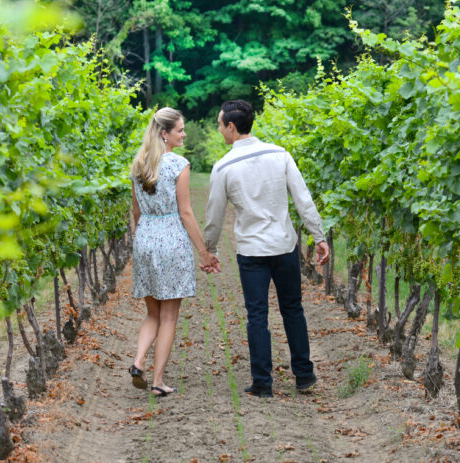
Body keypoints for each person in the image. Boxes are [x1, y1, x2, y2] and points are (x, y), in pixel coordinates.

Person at [203, 99, 329, 398]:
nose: (219, 130)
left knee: (257, 315)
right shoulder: (280, 154)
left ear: (231, 127)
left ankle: (262, 382)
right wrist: (319, 236)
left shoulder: (224, 167)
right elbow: (303, 199)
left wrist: (210, 249)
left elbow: (214, 216)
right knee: (293, 309)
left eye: (220, 125)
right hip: (284, 245)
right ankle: (304, 375)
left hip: (252, 251)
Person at [128, 107, 218, 397]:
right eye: (180, 130)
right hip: (171, 241)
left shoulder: (139, 164)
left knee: (152, 314)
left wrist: (143, 241)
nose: (184, 134)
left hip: (145, 239)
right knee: (169, 317)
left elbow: (137, 211)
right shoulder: (179, 164)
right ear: (165, 134)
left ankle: (138, 361)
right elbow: (186, 212)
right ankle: (157, 381)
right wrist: (203, 251)